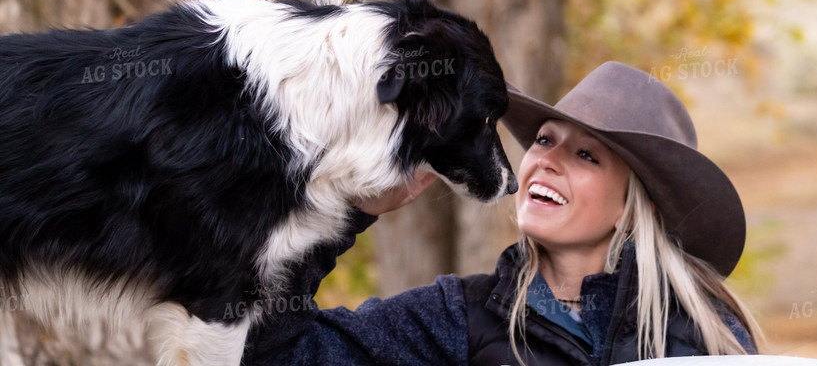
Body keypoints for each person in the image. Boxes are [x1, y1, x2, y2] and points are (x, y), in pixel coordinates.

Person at [242, 61, 763, 366]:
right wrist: (345, 213)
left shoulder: (706, 337)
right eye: (544, 140)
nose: (546, 161)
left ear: (635, 208)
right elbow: (274, 355)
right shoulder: (456, 316)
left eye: (585, 155)